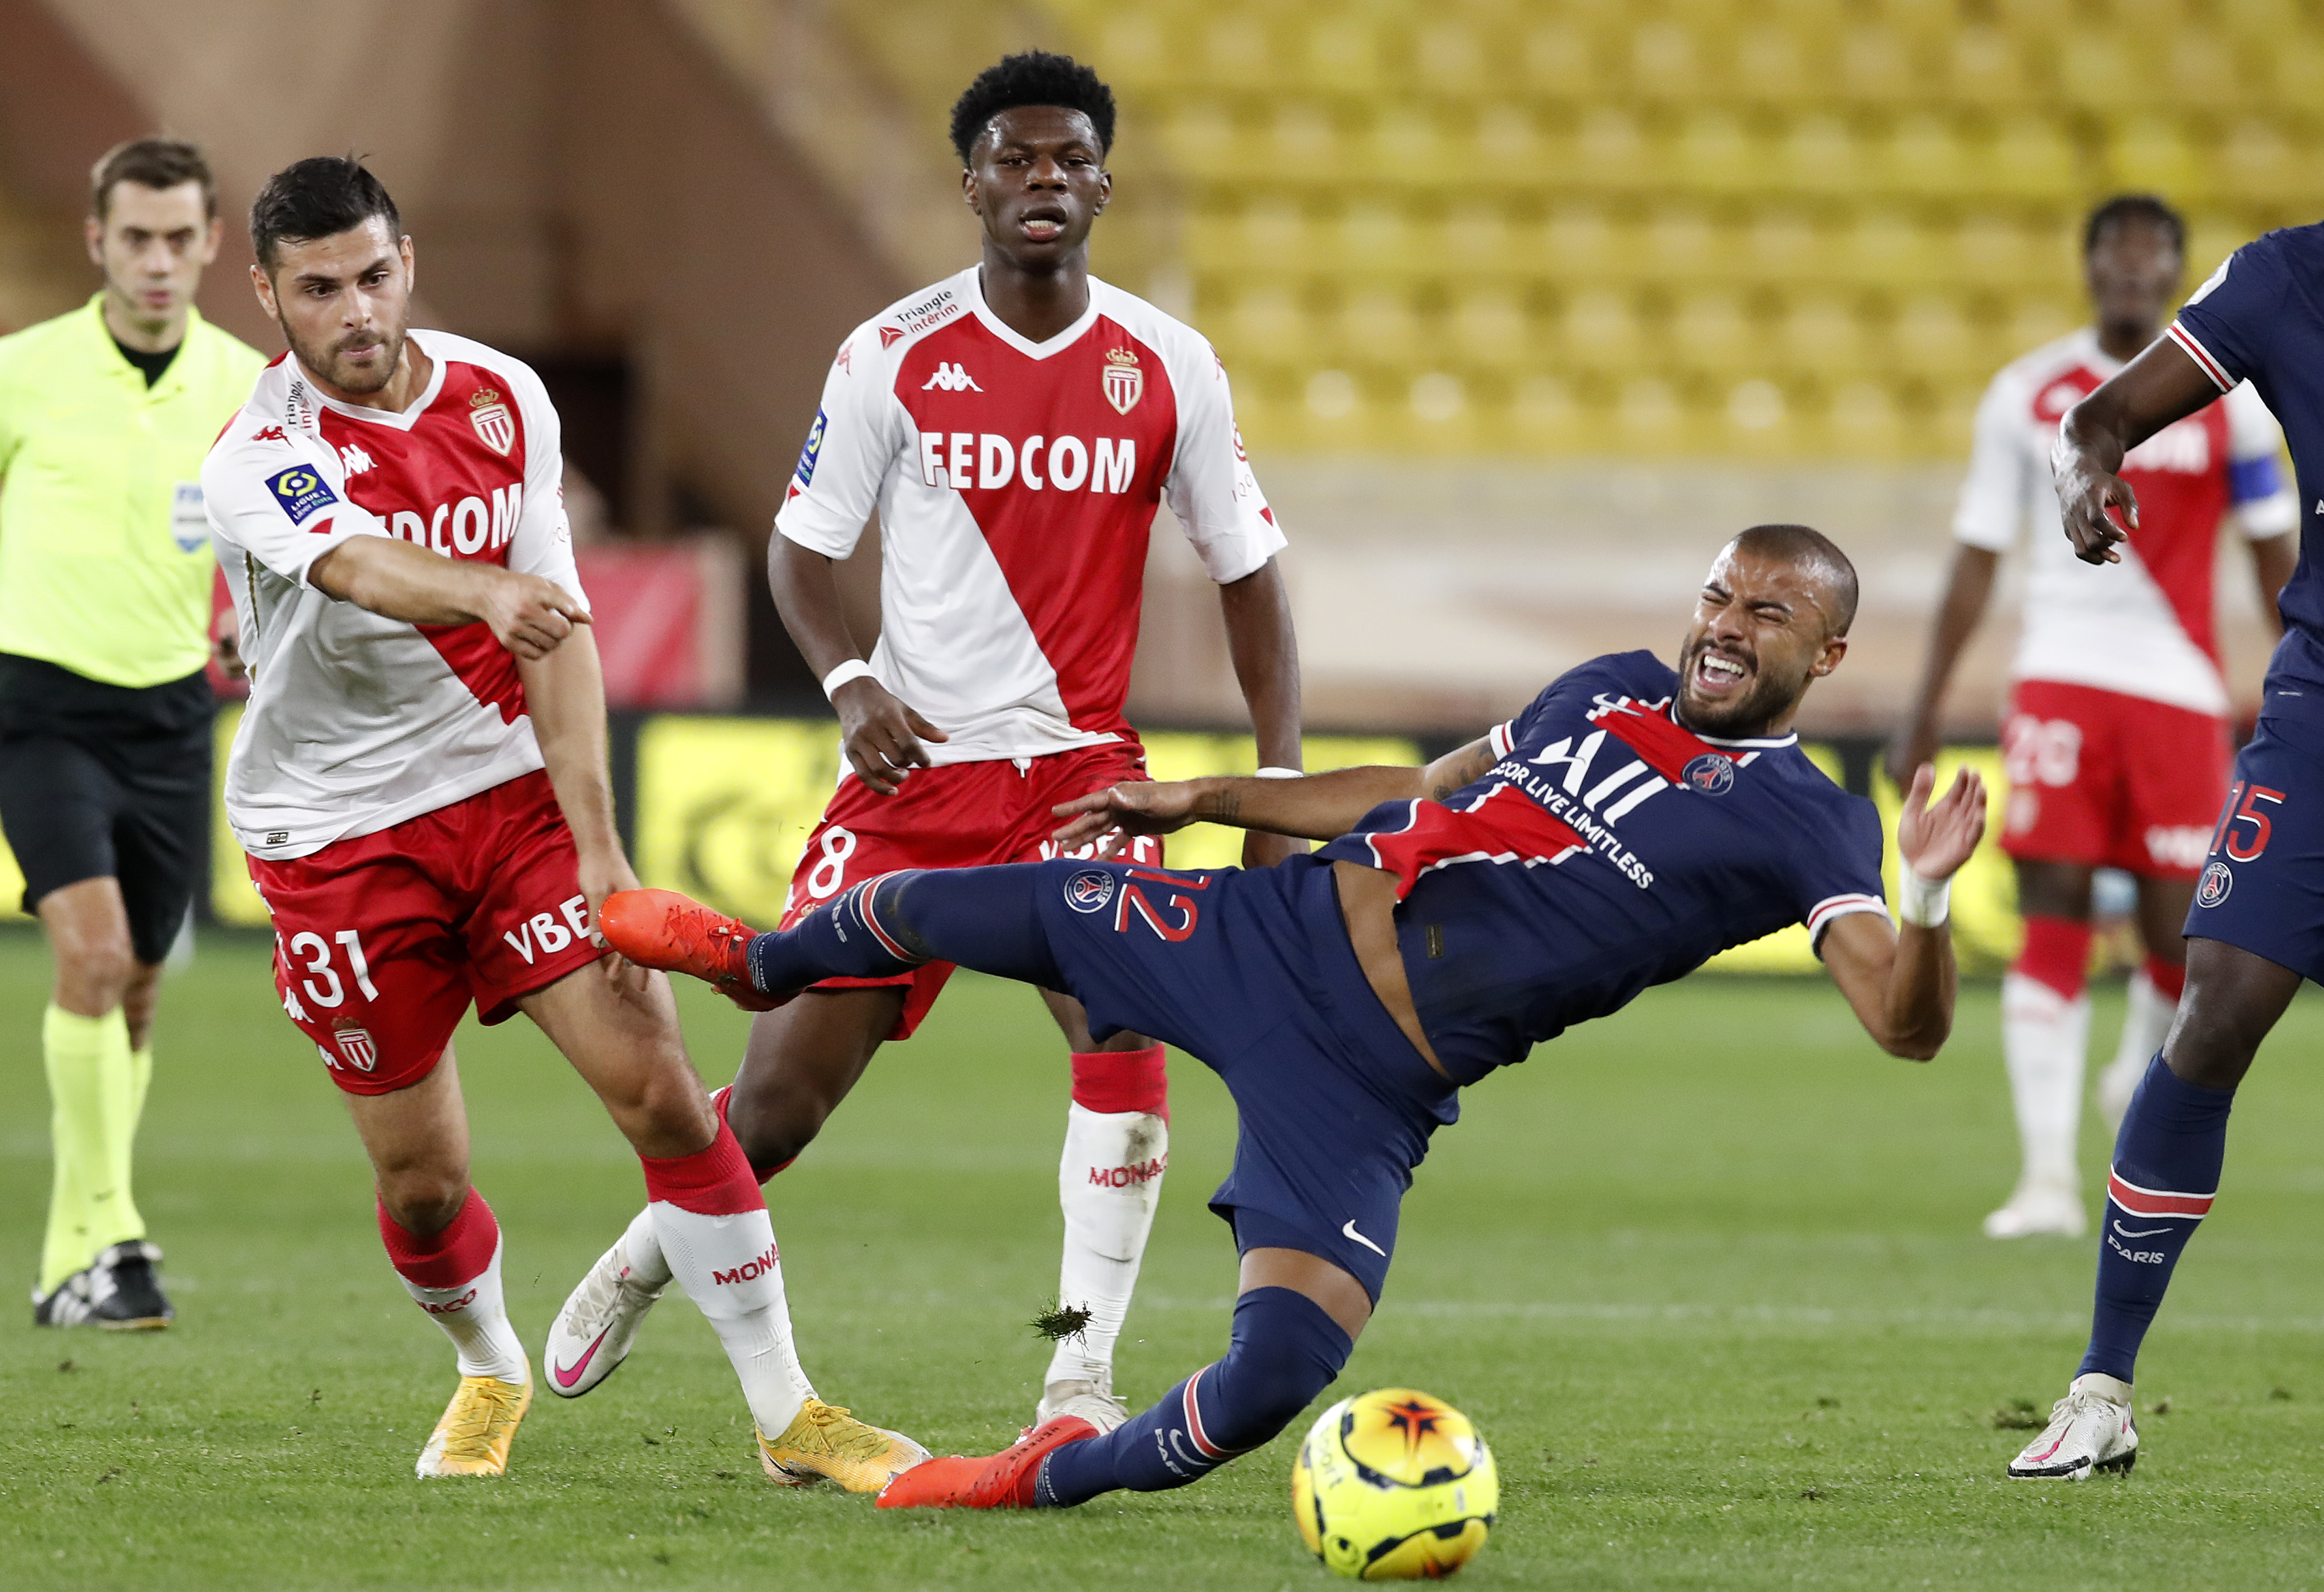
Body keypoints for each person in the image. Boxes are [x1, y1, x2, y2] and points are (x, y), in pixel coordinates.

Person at [599, 525, 1989, 1512]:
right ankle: (764, 963)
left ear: (1832, 651)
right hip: (1273, 935)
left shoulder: (1809, 823)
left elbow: (1906, 1022)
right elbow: (1411, 790)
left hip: (1371, 1086)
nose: (1726, 627)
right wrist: (1206, 799)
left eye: (1769, 615)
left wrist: (1922, 898)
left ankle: (1037, 1472)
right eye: (1720, 596)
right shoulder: (1609, 683)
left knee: (1275, 1376)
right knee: (979, 896)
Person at [546, 51, 1301, 1435]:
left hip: (1082, 779)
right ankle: (645, 1252)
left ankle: (1078, 1372)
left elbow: (1251, 572)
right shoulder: (892, 352)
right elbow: (801, 548)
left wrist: (1282, 774)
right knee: (776, 1106)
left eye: (1070, 161)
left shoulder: (1170, 365)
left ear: (1104, 187)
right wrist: (846, 680)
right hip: (915, 778)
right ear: (970, 184)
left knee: (1124, 1047)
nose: (1044, 182)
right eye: (1016, 160)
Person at [204, 155, 924, 1487]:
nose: (354, 312)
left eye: (373, 275)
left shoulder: (504, 396)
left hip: (508, 796)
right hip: (336, 835)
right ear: (268, 296)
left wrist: (603, 858)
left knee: (660, 1085)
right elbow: (362, 567)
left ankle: (789, 1413)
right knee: (422, 1181)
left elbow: (560, 632)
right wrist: (483, 590)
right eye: (318, 290)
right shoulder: (262, 453)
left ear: (407, 259)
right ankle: (488, 1361)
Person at [1889, 194, 2297, 1242]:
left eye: (2149, 256)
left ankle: (2131, 1075)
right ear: (2087, 268)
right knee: (2053, 911)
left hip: (2177, 691)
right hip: (2060, 679)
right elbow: (1976, 558)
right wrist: (1925, 705)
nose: (2129, 273)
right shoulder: (2026, 395)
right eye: (2112, 256)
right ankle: (2044, 1181)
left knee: (2184, 945)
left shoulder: (2232, 403)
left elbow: (2272, 556)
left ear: (2172, 272)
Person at [2009, 218, 2324, 1478]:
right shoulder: (2286, 276)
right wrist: (2089, 472)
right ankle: (2101, 1388)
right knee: (2216, 1007)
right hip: (2318, 716)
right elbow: (2100, 417)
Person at [0, 137, 264, 1329]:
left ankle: (73, 1256)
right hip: (37, 704)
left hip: (168, 716)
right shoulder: (24, 372)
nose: (157, 262)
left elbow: (284, 549)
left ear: (212, 244)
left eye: (179, 240)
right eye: (135, 239)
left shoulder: (249, 388)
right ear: (97, 241)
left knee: (142, 992)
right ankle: (112, 1242)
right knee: (95, 958)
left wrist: (254, 632)